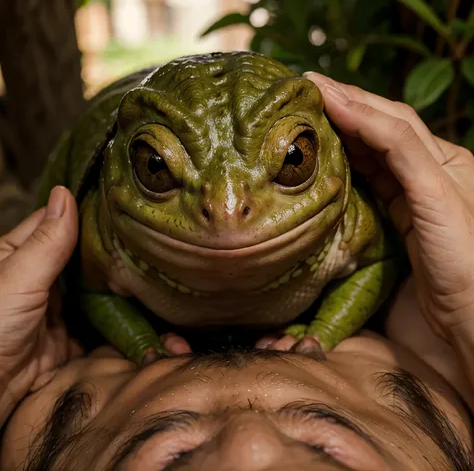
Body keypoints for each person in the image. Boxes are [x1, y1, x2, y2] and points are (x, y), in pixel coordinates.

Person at [1, 74, 474, 470]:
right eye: (320, 454)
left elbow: (91, 290)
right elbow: (380, 261)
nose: (227, 211)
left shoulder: (33, 354)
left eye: (177, 461)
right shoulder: (444, 335)